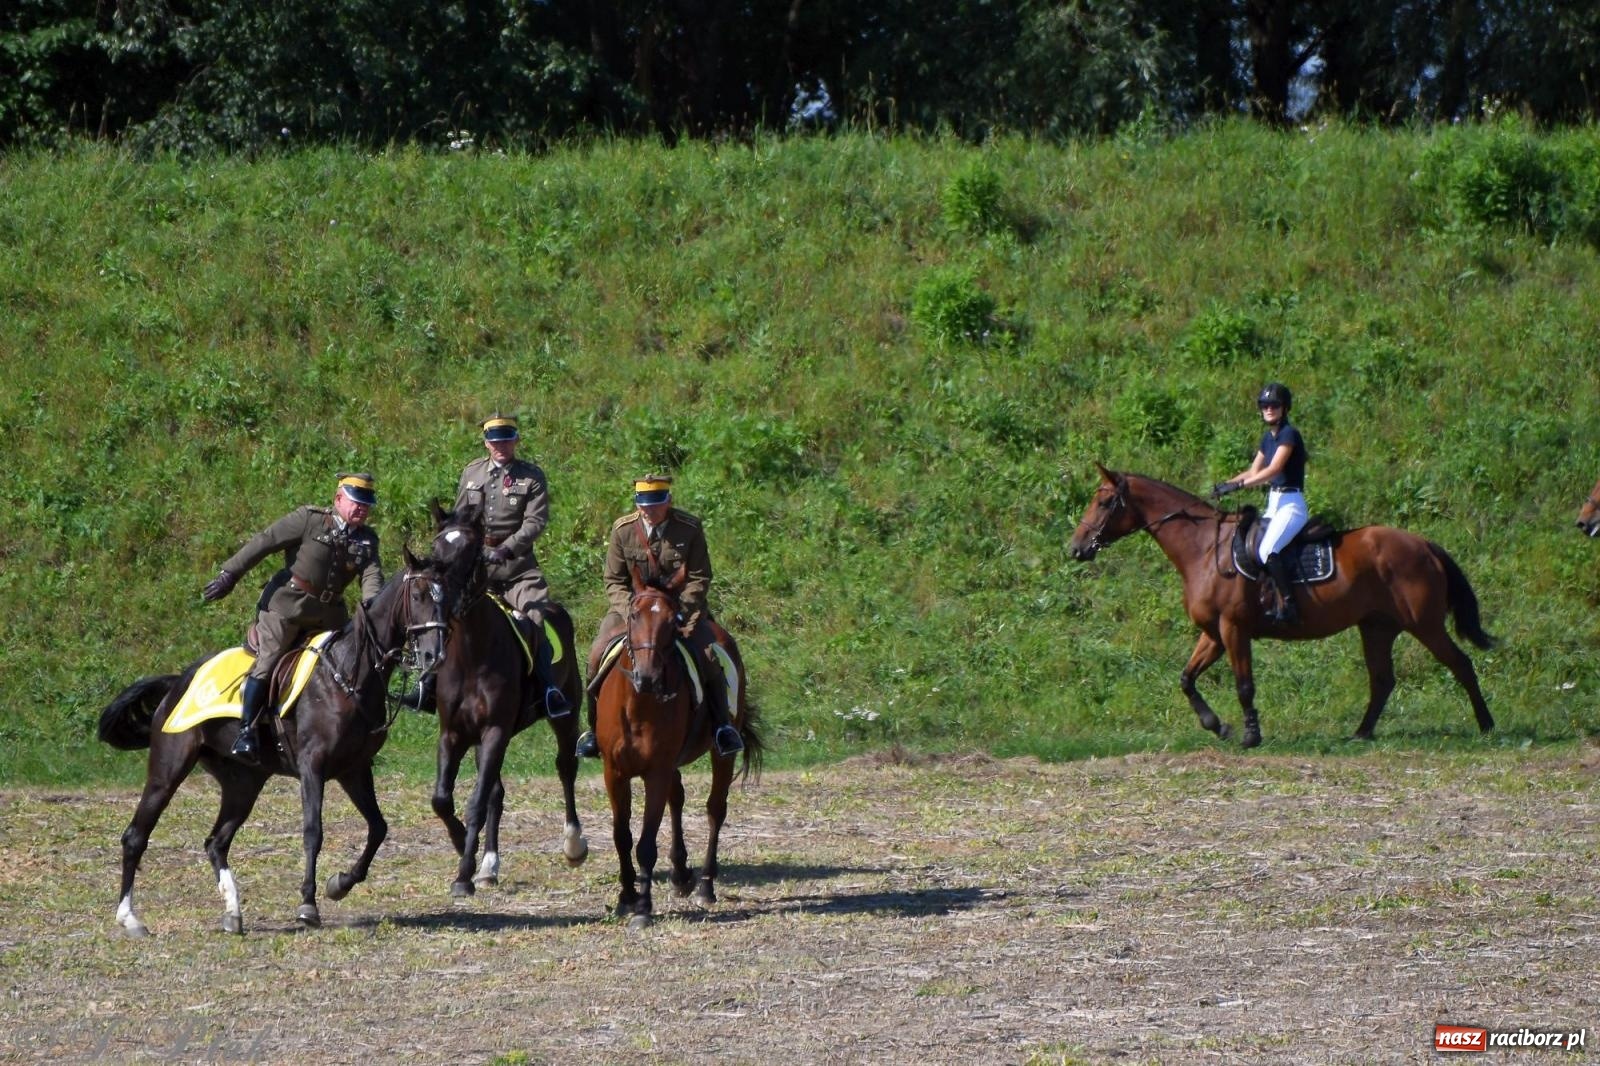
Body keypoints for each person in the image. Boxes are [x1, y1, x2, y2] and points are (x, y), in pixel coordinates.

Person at [202, 472, 384, 761]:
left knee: (355, 662)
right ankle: (247, 731)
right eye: (356, 502)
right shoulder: (310, 520)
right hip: (287, 608)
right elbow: (265, 541)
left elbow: (372, 576)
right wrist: (230, 573)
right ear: (338, 499)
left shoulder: (367, 540)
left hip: (329, 616)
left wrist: (373, 606)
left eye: (366, 504)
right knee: (270, 657)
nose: (362, 509)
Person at [401, 414, 569, 715]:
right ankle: (428, 685)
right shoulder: (472, 473)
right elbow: (461, 518)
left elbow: (535, 522)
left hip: (518, 570)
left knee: (534, 617)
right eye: (494, 439)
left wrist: (505, 549)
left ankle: (547, 689)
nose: (500, 445)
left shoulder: (531, 477)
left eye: (506, 438)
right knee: (445, 614)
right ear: (486, 442)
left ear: (516, 440)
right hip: (475, 569)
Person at [575, 474, 744, 759]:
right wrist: (631, 610)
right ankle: (593, 730)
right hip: (632, 611)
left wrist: (682, 611)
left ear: (668, 501)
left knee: (709, 655)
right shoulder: (623, 530)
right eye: (642, 503)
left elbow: (700, 577)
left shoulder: (689, 528)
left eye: (655, 503)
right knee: (596, 654)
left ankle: (722, 727)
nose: (648, 510)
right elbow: (613, 580)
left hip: (679, 609)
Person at [1212, 382, 1308, 624]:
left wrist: (1242, 486)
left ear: (1284, 408)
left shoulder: (1289, 434)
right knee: (1252, 548)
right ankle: (1267, 597)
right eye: (1264, 405)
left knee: (1267, 550)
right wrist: (1227, 484)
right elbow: (1254, 470)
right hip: (1274, 505)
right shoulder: (1268, 437)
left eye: (1274, 405)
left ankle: (1289, 605)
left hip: (1291, 505)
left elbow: (1274, 469)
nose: (1268, 409)